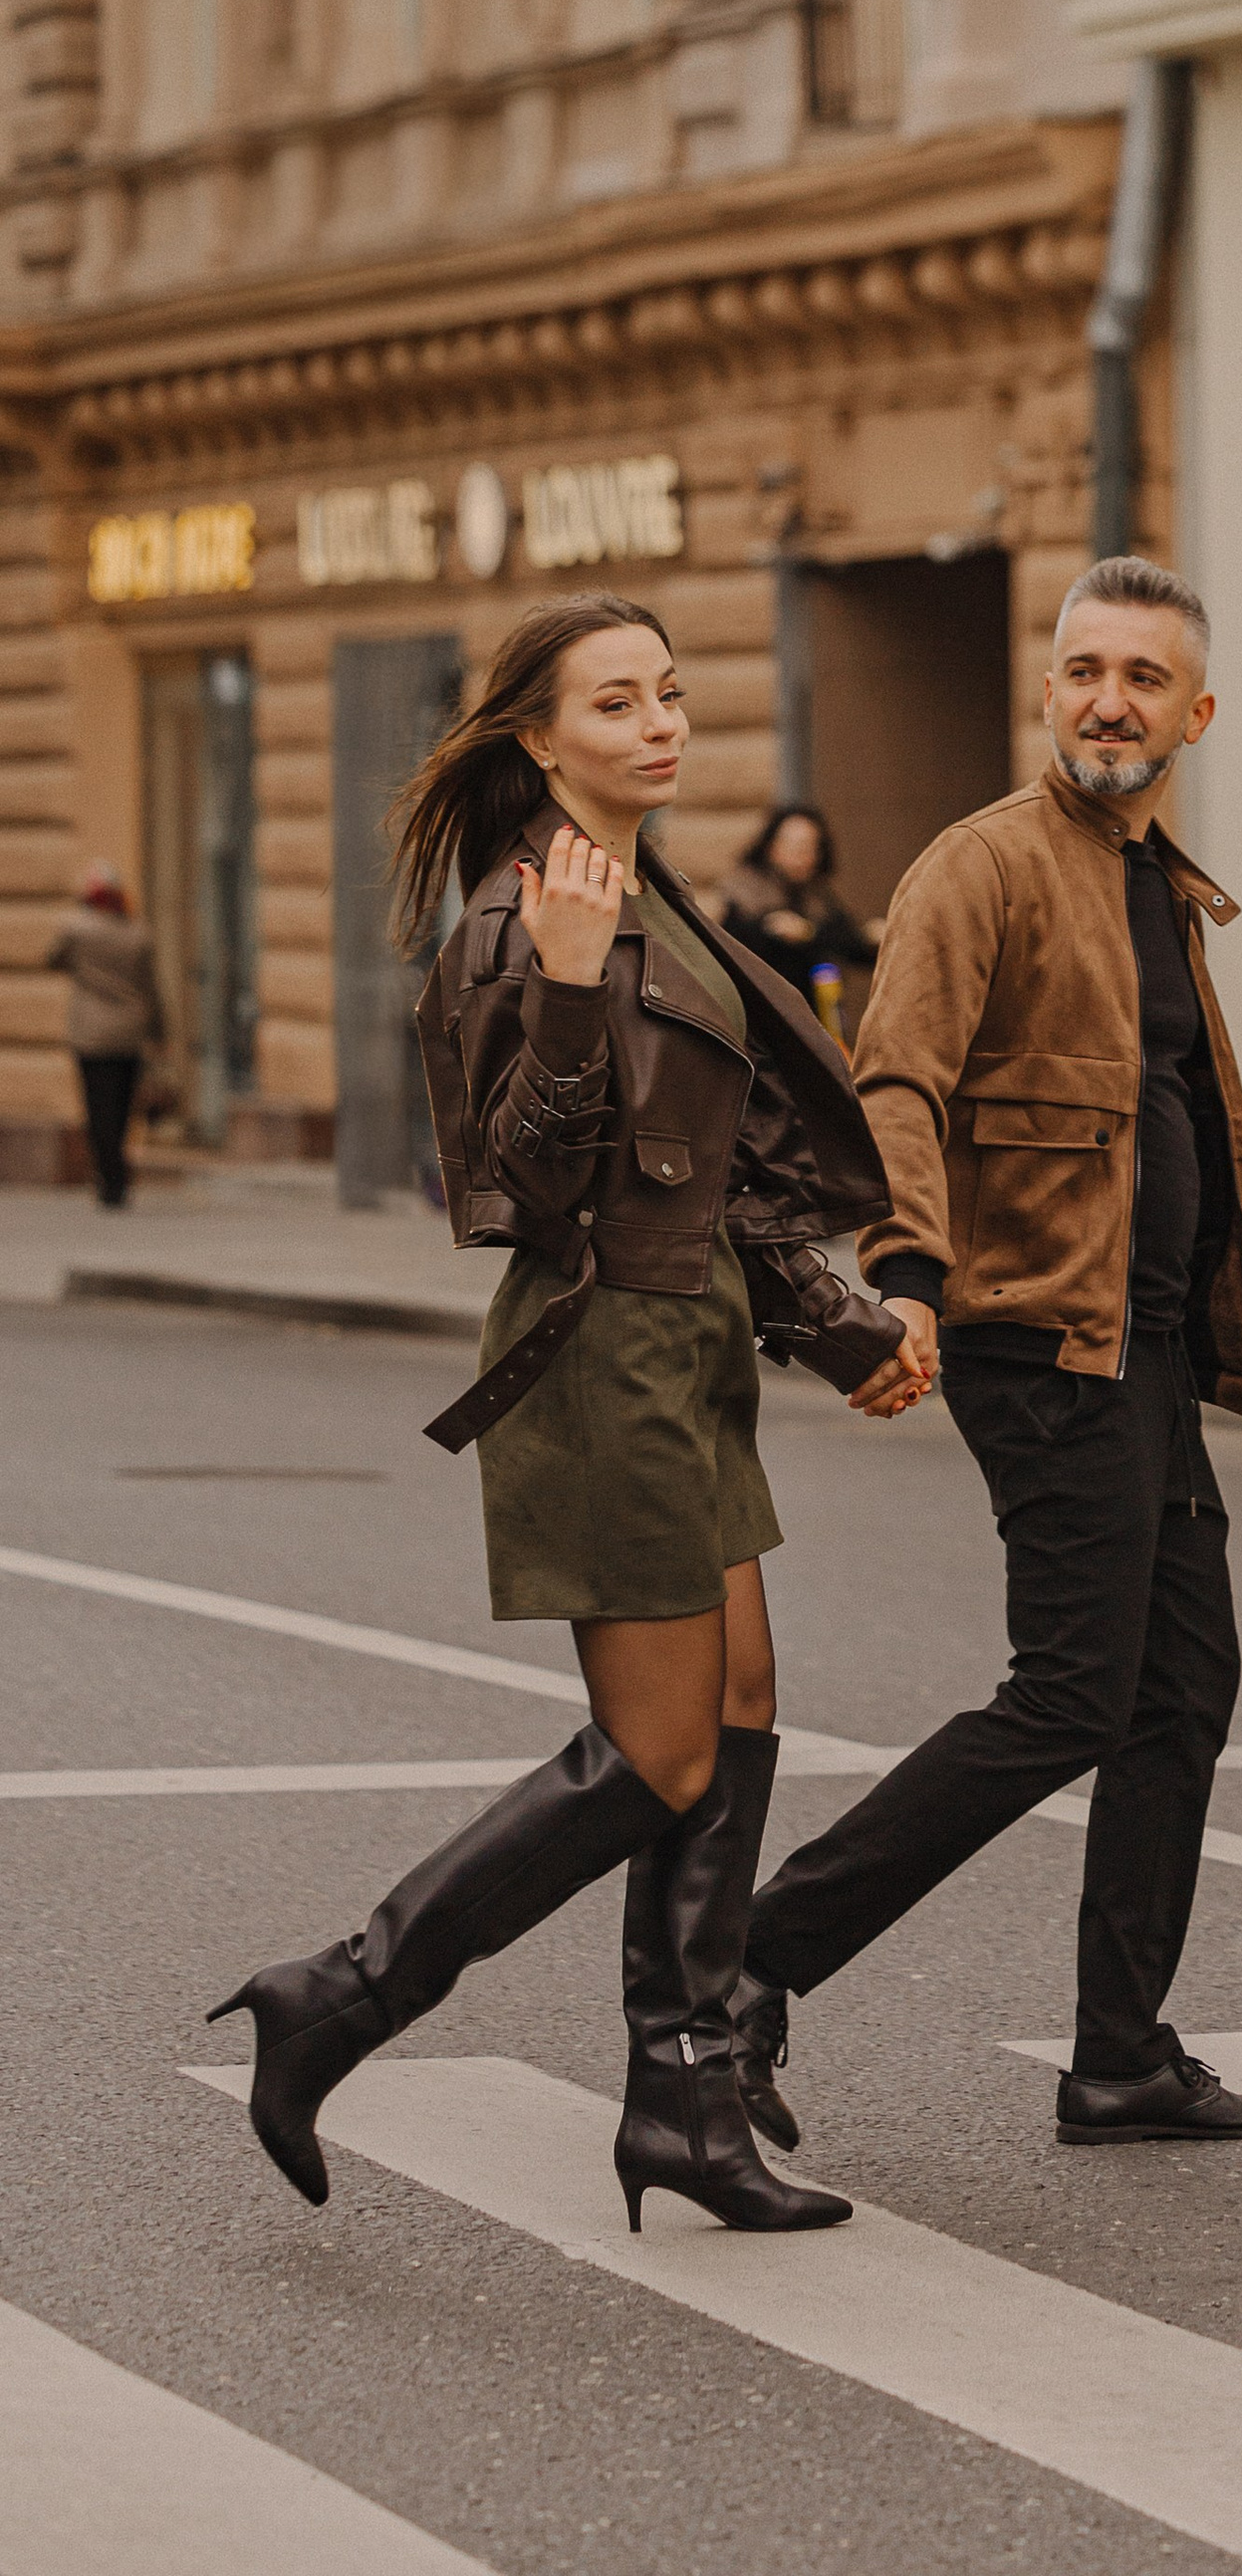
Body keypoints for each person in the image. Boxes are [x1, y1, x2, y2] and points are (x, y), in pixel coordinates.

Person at [209, 591, 934, 2233]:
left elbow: (725, 1182)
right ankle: (339, 1994)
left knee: (739, 1706)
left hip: (692, 1349)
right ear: (535, 738)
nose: (658, 723)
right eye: (615, 704)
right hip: (601, 1358)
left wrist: (844, 1326)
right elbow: (518, 1190)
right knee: (663, 1747)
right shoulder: (516, 924)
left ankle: (681, 2094)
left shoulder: (661, 903)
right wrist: (560, 989)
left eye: (670, 694)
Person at [735, 554, 1242, 2156]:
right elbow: (896, 1083)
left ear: (1195, 710)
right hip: (1040, 1340)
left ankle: (1119, 2054)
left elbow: (1138, 1114)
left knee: (1180, 1694)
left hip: (1154, 1348)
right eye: (1086, 668)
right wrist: (900, 1276)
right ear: (1049, 689)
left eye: (1143, 676)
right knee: (1068, 1696)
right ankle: (744, 1966)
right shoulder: (984, 868)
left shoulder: (1155, 881)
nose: (1111, 698)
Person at [47, 862, 163, 1210]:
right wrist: (159, 1033)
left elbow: (53, 959)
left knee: (99, 1108)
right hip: (129, 1032)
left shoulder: (76, 930)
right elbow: (152, 990)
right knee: (124, 1108)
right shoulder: (138, 934)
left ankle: (108, 1177)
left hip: (91, 1033)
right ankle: (118, 1173)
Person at [722, 803, 875, 1010]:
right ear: (771, 847)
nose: (800, 855)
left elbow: (848, 942)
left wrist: (874, 939)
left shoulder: (818, 896)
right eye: (792, 845)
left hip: (818, 1015)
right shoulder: (747, 895)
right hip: (766, 1014)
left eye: (809, 847)